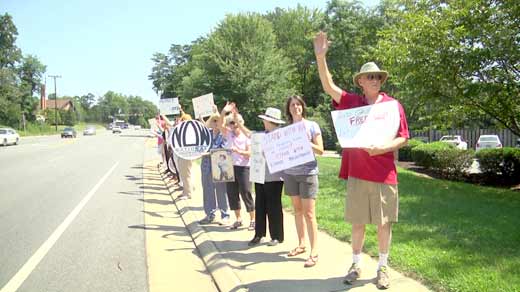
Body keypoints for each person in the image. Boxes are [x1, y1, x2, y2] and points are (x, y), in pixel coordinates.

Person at [313, 31, 409, 289]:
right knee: (358, 224)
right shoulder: (351, 103)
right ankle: (356, 264)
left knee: (383, 224)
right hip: (357, 174)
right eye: (370, 77)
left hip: (384, 174)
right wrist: (320, 57)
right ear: (361, 82)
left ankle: (383, 267)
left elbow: (403, 137)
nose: (375, 80)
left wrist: (382, 149)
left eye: (378, 76)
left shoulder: (392, 105)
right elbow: (328, 86)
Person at [284, 95, 324, 268]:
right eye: (292, 105)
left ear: (302, 107)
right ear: (289, 109)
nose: (295, 107)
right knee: (297, 210)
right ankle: (301, 244)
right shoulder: (286, 130)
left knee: (309, 213)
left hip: (308, 173)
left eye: (298, 104)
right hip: (290, 174)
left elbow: (321, 150)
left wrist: (306, 142)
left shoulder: (312, 126)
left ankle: (314, 251)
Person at [248, 107, 285, 247]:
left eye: (265, 120)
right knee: (260, 205)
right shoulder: (261, 135)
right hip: (260, 175)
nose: (264, 122)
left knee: (274, 206)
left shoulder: (280, 135)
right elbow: (249, 135)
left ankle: (276, 236)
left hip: (274, 177)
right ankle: (259, 234)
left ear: (271, 121)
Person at [218, 102, 255, 231]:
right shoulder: (228, 133)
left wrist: (238, 151)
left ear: (240, 122)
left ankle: (253, 219)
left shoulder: (246, 136)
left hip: (243, 167)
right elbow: (219, 124)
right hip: (230, 167)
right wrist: (224, 111)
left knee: (246, 193)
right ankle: (238, 219)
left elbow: (250, 154)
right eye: (230, 123)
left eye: (235, 123)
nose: (232, 126)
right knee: (232, 194)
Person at [198, 111, 230, 225]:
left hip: (219, 167)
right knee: (207, 191)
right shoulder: (207, 134)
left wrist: (208, 153)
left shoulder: (224, 135)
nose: (216, 123)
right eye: (214, 120)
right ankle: (209, 215)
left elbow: (224, 150)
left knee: (221, 192)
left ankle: (225, 215)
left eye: (218, 121)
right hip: (206, 166)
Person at [176, 110, 195, 200]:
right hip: (182, 154)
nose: (181, 121)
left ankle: (188, 193)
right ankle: (185, 191)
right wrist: (181, 110)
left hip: (186, 155)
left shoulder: (189, 131)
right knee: (183, 173)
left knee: (186, 174)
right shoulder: (186, 130)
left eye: (183, 120)